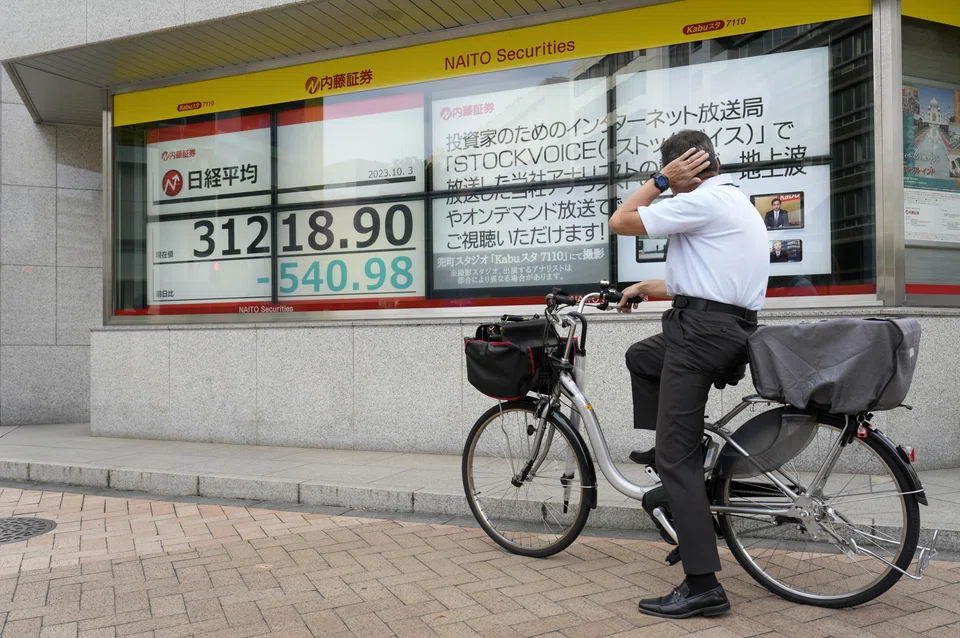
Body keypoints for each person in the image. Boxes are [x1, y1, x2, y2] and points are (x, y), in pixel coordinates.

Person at [608, 129, 769, 619]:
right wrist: (649, 286)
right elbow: (706, 281)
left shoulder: (699, 199)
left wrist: (659, 180)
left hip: (698, 335)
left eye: (674, 175)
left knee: (677, 461)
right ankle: (675, 447)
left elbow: (619, 221)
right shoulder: (733, 202)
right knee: (642, 356)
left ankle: (703, 585)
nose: (671, 187)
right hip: (725, 330)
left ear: (685, 169)